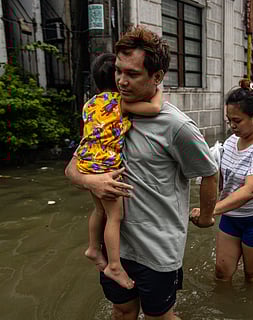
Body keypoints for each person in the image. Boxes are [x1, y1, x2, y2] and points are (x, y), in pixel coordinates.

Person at [65, 25, 219, 320]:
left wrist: (208, 215)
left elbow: (209, 173)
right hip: (115, 250)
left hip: (158, 251)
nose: (122, 81)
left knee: (159, 316)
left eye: (132, 74)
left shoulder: (177, 127)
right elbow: (72, 169)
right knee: (122, 311)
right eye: (119, 71)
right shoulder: (108, 113)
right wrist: (91, 181)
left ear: (157, 77)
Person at [75, 53, 162, 289]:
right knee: (115, 216)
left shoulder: (89, 103)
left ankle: (94, 248)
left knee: (98, 210)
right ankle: (114, 265)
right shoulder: (119, 103)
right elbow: (155, 107)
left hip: (87, 162)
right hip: (106, 166)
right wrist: (158, 87)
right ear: (117, 80)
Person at [190, 82, 253, 284]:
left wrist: (210, 211)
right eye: (229, 120)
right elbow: (220, 178)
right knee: (222, 273)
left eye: (237, 121)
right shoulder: (232, 141)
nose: (232, 126)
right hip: (232, 215)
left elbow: (249, 191)